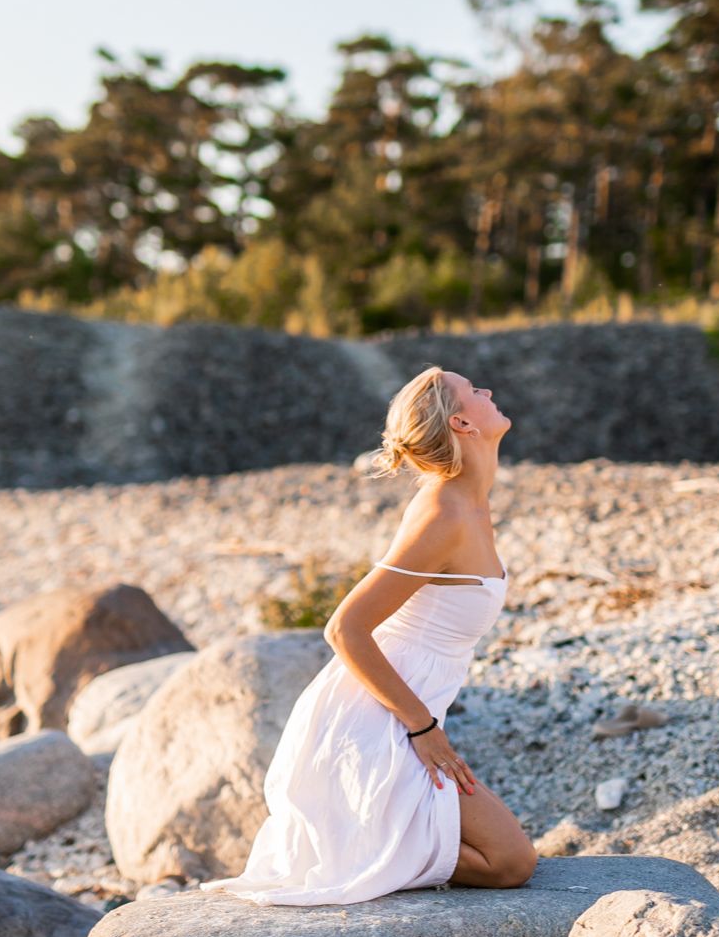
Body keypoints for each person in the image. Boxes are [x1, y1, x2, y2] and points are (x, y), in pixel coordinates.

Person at [198, 365, 539, 906]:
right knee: (511, 862)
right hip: (378, 721)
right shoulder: (444, 513)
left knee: (510, 858)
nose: (488, 391)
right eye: (473, 390)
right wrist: (422, 728)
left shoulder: (469, 502)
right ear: (461, 422)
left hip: (407, 710)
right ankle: (365, 851)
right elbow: (345, 627)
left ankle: (371, 849)